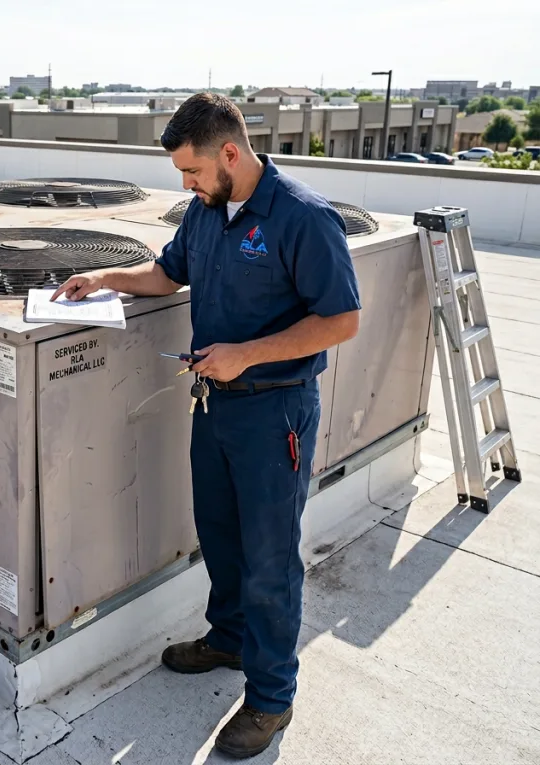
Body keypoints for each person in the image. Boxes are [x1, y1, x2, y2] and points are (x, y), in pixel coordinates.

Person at [52, 93, 361, 758]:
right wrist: (102, 277)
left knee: (270, 557)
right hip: (214, 407)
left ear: (230, 152)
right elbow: (167, 273)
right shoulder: (205, 211)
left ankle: (272, 698)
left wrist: (245, 353)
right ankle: (227, 636)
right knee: (219, 535)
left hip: (273, 411)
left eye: (192, 172)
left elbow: (341, 319)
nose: (186, 186)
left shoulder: (304, 218)